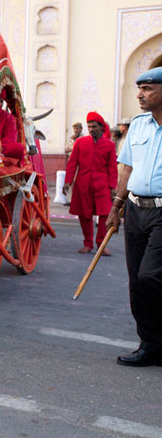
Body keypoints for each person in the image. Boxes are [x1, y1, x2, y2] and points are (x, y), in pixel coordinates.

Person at [105, 67, 162, 367]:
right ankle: (150, 345)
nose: (140, 94)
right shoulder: (138, 126)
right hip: (135, 210)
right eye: (139, 88)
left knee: (150, 275)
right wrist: (116, 207)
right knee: (136, 282)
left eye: (148, 88)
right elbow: (127, 168)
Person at [64, 111, 117, 255]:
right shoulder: (80, 142)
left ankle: (101, 244)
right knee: (84, 214)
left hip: (103, 185)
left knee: (105, 214)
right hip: (83, 184)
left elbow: (112, 168)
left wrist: (113, 186)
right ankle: (88, 243)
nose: (91, 130)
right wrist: (68, 181)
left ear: (101, 127)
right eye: (89, 127)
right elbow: (72, 163)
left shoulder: (110, 145)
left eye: (94, 127)